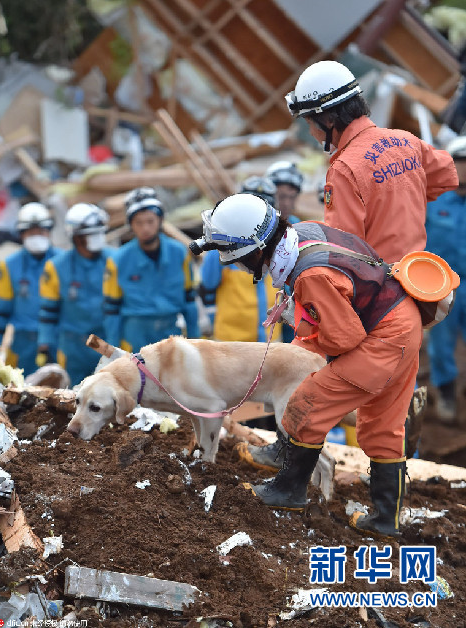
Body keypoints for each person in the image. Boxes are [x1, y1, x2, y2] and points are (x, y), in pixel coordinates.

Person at [190, 193, 424, 537]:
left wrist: (297, 320)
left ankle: (289, 489)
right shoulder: (304, 232)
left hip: (382, 337)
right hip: (403, 321)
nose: (238, 267)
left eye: (238, 260)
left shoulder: (309, 276)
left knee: (306, 403)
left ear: (256, 251)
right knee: (382, 426)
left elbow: (344, 339)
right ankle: (385, 521)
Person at [285, 60, 459, 264]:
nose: (312, 133)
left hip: (381, 288)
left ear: (328, 120)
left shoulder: (344, 170)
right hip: (419, 279)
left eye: (309, 123)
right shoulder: (406, 141)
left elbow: (344, 249)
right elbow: (447, 175)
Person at [103, 187, 199, 352]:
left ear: (160, 220)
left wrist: (196, 342)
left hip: (172, 334)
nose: (145, 228)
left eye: (150, 221)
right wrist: (113, 351)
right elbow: (111, 311)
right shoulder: (118, 261)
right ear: (131, 225)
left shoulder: (180, 253)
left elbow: (190, 302)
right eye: (138, 223)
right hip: (135, 336)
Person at [199, 176, 281, 343]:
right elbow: (207, 286)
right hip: (232, 344)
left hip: (270, 342)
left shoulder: (280, 246)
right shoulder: (221, 248)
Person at [38, 203, 112, 386]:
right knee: (73, 397)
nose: (98, 238)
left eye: (100, 232)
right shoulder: (56, 267)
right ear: (77, 237)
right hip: (73, 346)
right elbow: (48, 311)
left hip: (106, 341)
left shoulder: (115, 260)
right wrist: (45, 344)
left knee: (109, 393)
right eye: (92, 234)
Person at [425, 136, 466, 422]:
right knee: (440, 344)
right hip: (443, 286)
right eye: (459, 164)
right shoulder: (432, 200)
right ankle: (447, 393)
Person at [0, 202, 58, 376]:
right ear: (22, 234)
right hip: (23, 343)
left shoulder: (63, 262)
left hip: (58, 340)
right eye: (31, 232)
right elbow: (1, 312)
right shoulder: (9, 265)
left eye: (41, 231)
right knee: (19, 393)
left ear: (49, 232)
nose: (37, 236)